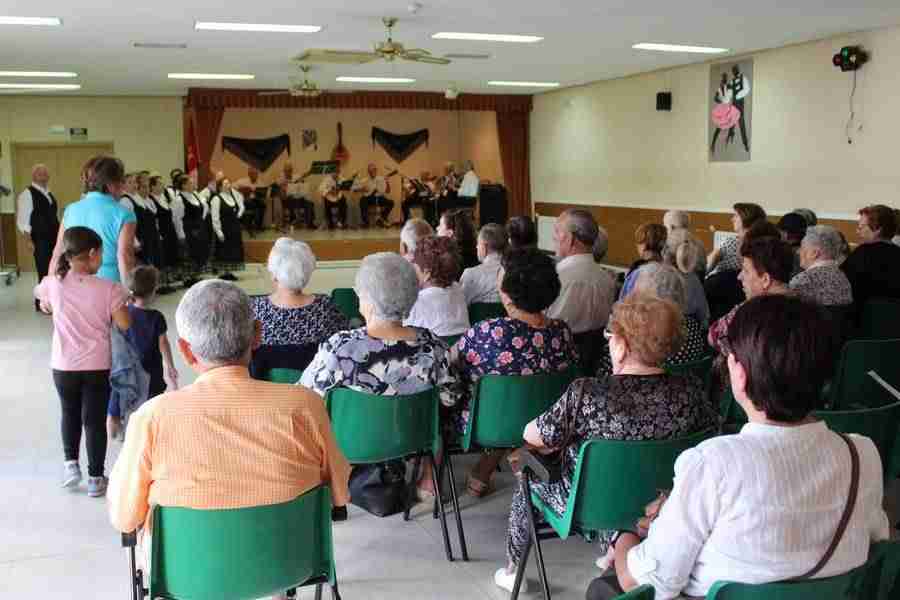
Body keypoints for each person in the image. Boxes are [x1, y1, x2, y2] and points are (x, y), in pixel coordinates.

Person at [598, 295, 889, 600]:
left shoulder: (712, 463)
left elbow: (645, 582)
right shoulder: (863, 454)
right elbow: (874, 543)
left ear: (739, 371)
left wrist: (621, 536)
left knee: (605, 586)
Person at [108, 280, 351, 570]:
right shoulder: (306, 405)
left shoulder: (152, 417)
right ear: (257, 336)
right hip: (287, 563)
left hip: (188, 571)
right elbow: (339, 495)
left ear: (185, 351)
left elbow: (125, 516)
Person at [493, 294, 715, 593]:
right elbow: (710, 434)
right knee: (623, 479)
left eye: (610, 336)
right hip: (661, 503)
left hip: (589, 505)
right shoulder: (692, 390)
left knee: (528, 477)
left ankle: (511, 568)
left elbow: (533, 435)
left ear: (622, 344)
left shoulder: (589, 392)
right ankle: (618, 545)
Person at [299, 252, 461, 500]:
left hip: (349, 446)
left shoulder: (340, 348)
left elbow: (304, 397)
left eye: (360, 291)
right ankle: (428, 482)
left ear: (371, 302)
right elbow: (451, 398)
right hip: (413, 440)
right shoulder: (433, 345)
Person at [454, 247, 578, 496]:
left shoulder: (489, 331)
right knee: (515, 399)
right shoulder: (561, 331)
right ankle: (510, 460)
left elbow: (450, 364)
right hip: (543, 422)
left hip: (489, 426)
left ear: (508, 293)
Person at [35, 227, 131, 497]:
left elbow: (44, 302)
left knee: (69, 412)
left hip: (63, 365)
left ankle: (71, 466)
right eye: (101, 253)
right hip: (96, 365)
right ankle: (96, 479)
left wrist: (51, 306)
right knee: (93, 421)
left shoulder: (53, 283)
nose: (102, 258)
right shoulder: (109, 288)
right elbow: (124, 323)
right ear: (91, 254)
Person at [597, 263, 710, 376]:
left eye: (636, 288)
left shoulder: (633, 336)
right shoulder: (693, 327)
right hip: (683, 388)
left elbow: (606, 375)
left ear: (648, 299)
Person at [107, 265, 178, 439]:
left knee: (115, 403)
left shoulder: (121, 313)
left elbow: (113, 339)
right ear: (153, 291)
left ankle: (113, 436)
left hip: (124, 367)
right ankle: (145, 435)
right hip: (150, 370)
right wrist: (170, 366)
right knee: (151, 405)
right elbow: (163, 343)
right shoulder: (156, 317)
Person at [49, 156, 136, 284]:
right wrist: (129, 293)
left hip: (74, 283)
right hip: (108, 284)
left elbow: (58, 251)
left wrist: (50, 287)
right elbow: (124, 257)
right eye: (121, 181)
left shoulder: (70, 209)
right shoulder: (124, 214)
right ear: (111, 184)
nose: (123, 187)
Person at [252, 238, 349, 348]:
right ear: (307, 273)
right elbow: (344, 343)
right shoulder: (326, 306)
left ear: (273, 274)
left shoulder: (257, 309)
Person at [708, 236, 795, 355]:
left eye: (746, 271)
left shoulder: (748, 312)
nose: (739, 276)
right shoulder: (807, 306)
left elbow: (713, 337)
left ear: (765, 279)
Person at [546, 209, 616, 335]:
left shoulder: (557, 277)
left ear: (570, 239)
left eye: (557, 231)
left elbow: (545, 326)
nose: (553, 237)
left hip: (560, 349)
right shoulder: (608, 279)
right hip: (596, 352)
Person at [405, 235, 470, 337]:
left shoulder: (416, 302)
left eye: (415, 267)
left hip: (431, 351)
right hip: (460, 349)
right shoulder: (457, 289)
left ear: (426, 273)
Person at [16, 163, 60, 311]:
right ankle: (41, 304)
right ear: (33, 175)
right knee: (43, 271)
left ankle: (52, 301)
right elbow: (23, 220)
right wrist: (28, 241)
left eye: (45, 172)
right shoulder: (27, 194)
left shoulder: (49, 193)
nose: (43, 174)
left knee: (54, 270)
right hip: (39, 239)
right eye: (40, 172)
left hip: (54, 238)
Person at [841, 205, 900, 310]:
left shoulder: (862, 253)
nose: (857, 231)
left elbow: (841, 284)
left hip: (864, 319)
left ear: (878, 229)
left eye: (861, 227)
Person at [790, 225, 853, 307]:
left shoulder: (802, 280)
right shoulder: (843, 278)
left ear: (814, 253)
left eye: (802, 248)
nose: (798, 252)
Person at [662, 229, 710, 325]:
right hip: (692, 330)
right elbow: (704, 314)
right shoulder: (694, 279)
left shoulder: (661, 276)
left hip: (667, 327)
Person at [707, 203, 766, 276]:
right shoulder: (764, 242)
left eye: (736, 216)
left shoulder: (733, 241)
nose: (732, 219)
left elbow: (710, 263)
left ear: (746, 218)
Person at [461, 223, 508, 305]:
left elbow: (460, 307)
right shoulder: (517, 272)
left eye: (478, 243)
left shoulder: (470, 275)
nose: (476, 247)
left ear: (484, 246)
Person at [148, 173, 179, 292]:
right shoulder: (151, 200)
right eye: (160, 184)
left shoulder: (164, 198)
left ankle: (167, 282)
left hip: (170, 230)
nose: (163, 186)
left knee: (170, 255)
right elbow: (155, 219)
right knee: (162, 257)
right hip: (161, 232)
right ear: (153, 187)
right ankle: (160, 284)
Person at [620, 223, 667, 299]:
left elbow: (623, 300)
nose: (637, 246)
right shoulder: (670, 271)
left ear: (644, 245)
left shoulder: (638, 273)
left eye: (639, 243)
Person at [210, 178, 245, 281]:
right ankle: (224, 272)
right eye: (225, 183)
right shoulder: (216, 198)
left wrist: (238, 215)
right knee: (224, 251)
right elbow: (215, 217)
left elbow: (240, 207)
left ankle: (229, 272)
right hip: (224, 228)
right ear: (220, 186)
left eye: (229, 183)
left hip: (234, 228)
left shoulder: (233, 196)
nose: (228, 185)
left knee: (233, 250)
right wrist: (218, 231)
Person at [278, 162, 317, 229]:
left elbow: (303, 177)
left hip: (299, 198)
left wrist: (309, 173)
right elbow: (282, 195)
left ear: (292, 170)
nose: (288, 172)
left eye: (290, 170)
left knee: (310, 203)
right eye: (287, 171)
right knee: (293, 200)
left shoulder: (296, 177)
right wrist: (283, 189)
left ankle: (310, 222)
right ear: (284, 171)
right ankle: (294, 221)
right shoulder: (281, 180)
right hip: (288, 200)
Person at [354, 163, 394, 228]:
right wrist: (362, 189)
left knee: (391, 202)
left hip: (379, 197)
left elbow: (388, 191)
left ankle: (382, 218)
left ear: (376, 170)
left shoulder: (381, 178)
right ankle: (365, 222)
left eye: (374, 170)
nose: (372, 171)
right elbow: (355, 189)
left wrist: (387, 182)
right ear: (368, 172)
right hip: (369, 198)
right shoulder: (365, 180)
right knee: (362, 200)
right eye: (371, 170)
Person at [234, 166, 269, 233]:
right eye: (252, 173)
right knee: (255, 204)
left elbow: (265, 193)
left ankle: (258, 225)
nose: (254, 175)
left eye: (256, 174)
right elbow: (233, 187)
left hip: (256, 201)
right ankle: (256, 226)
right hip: (245, 201)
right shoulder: (242, 181)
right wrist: (241, 190)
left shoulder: (260, 183)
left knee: (262, 205)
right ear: (249, 174)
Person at [319, 163, 351, 229]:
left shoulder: (341, 178)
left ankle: (342, 222)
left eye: (338, 172)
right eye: (335, 172)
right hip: (330, 199)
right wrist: (329, 191)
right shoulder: (327, 179)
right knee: (326, 202)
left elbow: (347, 185)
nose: (336, 174)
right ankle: (330, 223)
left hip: (338, 198)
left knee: (344, 200)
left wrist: (347, 185)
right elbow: (320, 189)